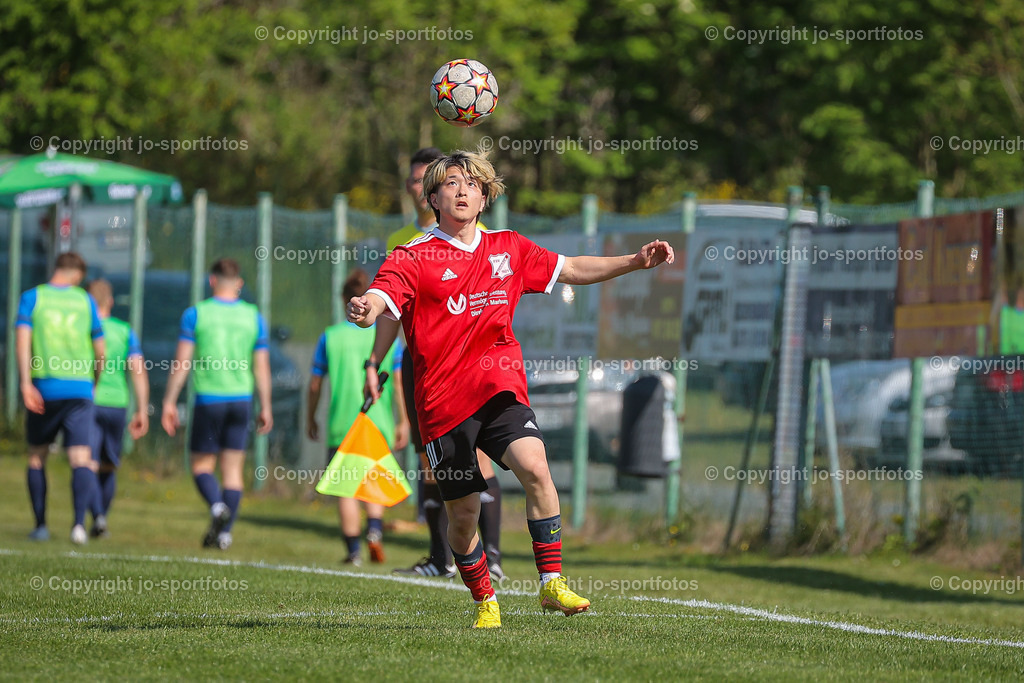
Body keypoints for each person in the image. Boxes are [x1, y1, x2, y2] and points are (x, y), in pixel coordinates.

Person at [348, 150, 674, 628]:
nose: (462, 191)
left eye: (472, 184)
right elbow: (383, 296)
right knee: (462, 516)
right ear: (433, 197)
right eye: (451, 184)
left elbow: (572, 269)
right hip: (442, 404)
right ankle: (485, 599)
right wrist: (366, 307)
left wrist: (634, 261)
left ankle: (551, 584)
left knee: (536, 469)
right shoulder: (413, 256)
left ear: (484, 197)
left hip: (500, 387)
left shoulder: (509, 247)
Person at [388, 147, 504, 580]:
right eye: (417, 182)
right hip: (421, 362)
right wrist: (374, 360)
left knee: (481, 458)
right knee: (430, 462)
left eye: (426, 179)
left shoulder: (481, 235)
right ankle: (440, 558)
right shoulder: (403, 242)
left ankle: (490, 558)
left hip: (471, 365)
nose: (421, 188)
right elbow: (390, 308)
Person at [161, 258, 273, 550]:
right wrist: (266, 406)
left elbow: (182, 363)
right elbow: (261, 366)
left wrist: (169, 401)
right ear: (239, 283)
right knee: (233, 470)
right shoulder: (253, 316)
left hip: (209, 399)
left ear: (212, 281)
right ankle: (225, 534)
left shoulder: (196, 314)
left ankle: (215, 506)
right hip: (241, 399)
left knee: (201, 466)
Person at [307, 269, 410, 565]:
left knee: (347, 488)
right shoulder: (388, 336)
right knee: (373, 479)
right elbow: (400, 382)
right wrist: (404, 420)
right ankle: (374, 531)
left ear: (346, 300)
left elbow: (316, 383)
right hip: (379, 422)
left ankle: (353, 551)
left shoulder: (330, 337)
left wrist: (311, 416)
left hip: (344, 423)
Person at [16, 251, 105, 544]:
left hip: (45, 387)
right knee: (80, 457)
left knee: (37, 456)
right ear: (78, 274)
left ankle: (41, 526)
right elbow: (100, 349)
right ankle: (79, 526)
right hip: (80, 387)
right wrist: (94, 380)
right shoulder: (85, 300)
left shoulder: (33, 297)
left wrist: (25, 383)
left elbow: (23, 340)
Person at [85, 278, 150, 537]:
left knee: (86, 462)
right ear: (110, 302)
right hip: (117, 403)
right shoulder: (125, 331)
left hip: (88, 401)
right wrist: (142, 409)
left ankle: (97, 516)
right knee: (109, 464)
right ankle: (101, 518)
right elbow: (138, 372)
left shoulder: (84, 327)